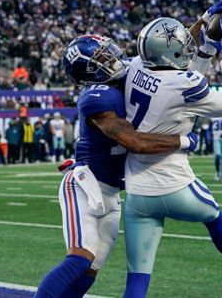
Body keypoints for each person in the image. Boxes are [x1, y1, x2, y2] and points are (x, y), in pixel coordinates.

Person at [34, 34, 198, 298]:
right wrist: (183, 141)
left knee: (89, 271)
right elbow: (134, 142)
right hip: (85, 186)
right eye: (102, 55)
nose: (112, 56)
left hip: (112, 194)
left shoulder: (129, 74)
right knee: (79, 259)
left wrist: (202, 22)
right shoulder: (96, 96)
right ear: (89, 69)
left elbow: (166, 44)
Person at [122, 3, 222, 297]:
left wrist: (205, 26)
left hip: (136, 191)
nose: (187, 41)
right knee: (214, 217)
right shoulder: (186, 82)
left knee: (137, 279)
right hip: (174, 186)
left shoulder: (134, 66)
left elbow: (177, 64)